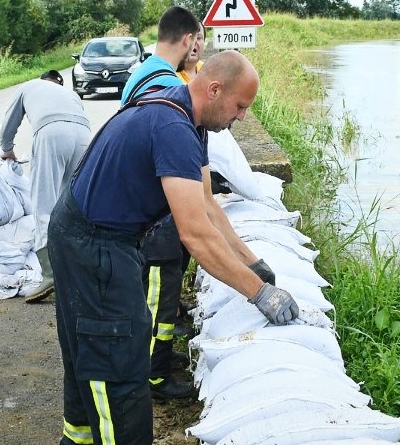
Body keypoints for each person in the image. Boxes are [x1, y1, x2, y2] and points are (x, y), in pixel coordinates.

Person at [50, 50, 298, 445]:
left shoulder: (189, 119)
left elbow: (206, 204)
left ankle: (77, 438)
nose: (242, 117)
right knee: (117, 362)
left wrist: (253, 263)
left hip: (100, 235)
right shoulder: (172, 127)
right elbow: (195, 234)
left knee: (94, 347)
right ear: (214, 89)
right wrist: (259, 293)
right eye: (240, 106)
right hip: (91, 243)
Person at [117, 6, 201, 400]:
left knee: (158, 295)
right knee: (158, 298)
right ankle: (154, 376)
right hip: (155, 213)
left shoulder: (142, 71)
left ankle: (158, 361)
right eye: (196, 42)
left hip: (143, 206)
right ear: (187, 39)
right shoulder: (166, 84)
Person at [0, 69, 91, 303]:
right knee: (72, 205)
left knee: (43, 206)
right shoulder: (70, 95)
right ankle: (80, 270)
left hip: (51, 132)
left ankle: (50, 274)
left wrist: (7, 149)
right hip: (83, 135)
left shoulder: (29, 86)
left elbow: (10, 121)